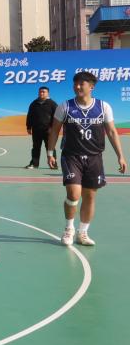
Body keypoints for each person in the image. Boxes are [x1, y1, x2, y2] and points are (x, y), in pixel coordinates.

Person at [46, 71, 127, 247]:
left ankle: (82, 232)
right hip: (71, 156)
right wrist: (50, 152)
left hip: (94, 157)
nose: (77, 87)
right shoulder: (65, 106)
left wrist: (120, 156)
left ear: (92, 86)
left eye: (81, 83)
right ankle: (69, 229)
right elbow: (54, 130)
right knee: (74, 194)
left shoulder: (103, 107)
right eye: (75, 83)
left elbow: (112, 132)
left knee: (89, 196)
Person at [26, 86, 58, 169]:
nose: (42, 93)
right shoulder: (33, 104)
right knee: (35, 147)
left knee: (50, 147)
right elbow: (29, 116)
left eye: (44, 92)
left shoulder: (52, 104)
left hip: (48, 131)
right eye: (40, 92)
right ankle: (34, 164)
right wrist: (28, 127)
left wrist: (52, 128)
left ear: (48, 93)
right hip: (36, 130)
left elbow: (56, 117)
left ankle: (53, 164)